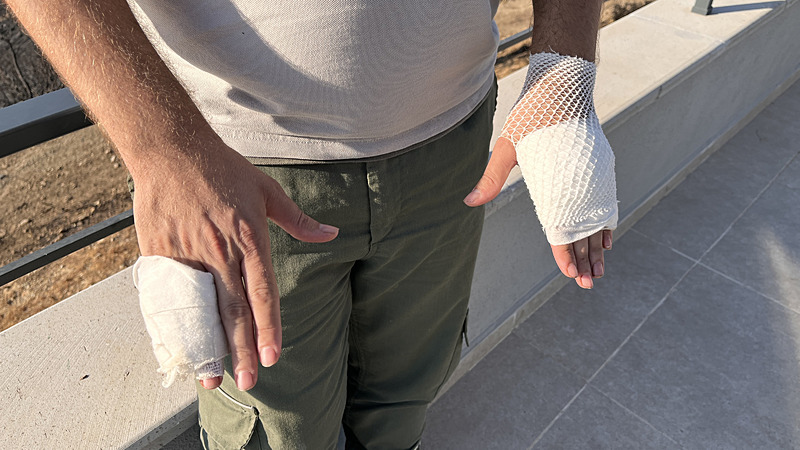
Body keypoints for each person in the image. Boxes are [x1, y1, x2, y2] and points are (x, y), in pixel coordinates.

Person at [8, 0, 614, 448]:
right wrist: (162, 151)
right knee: (277, 434)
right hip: (238, 174)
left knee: (405, 399)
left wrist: (563, 72)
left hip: (453, 147)